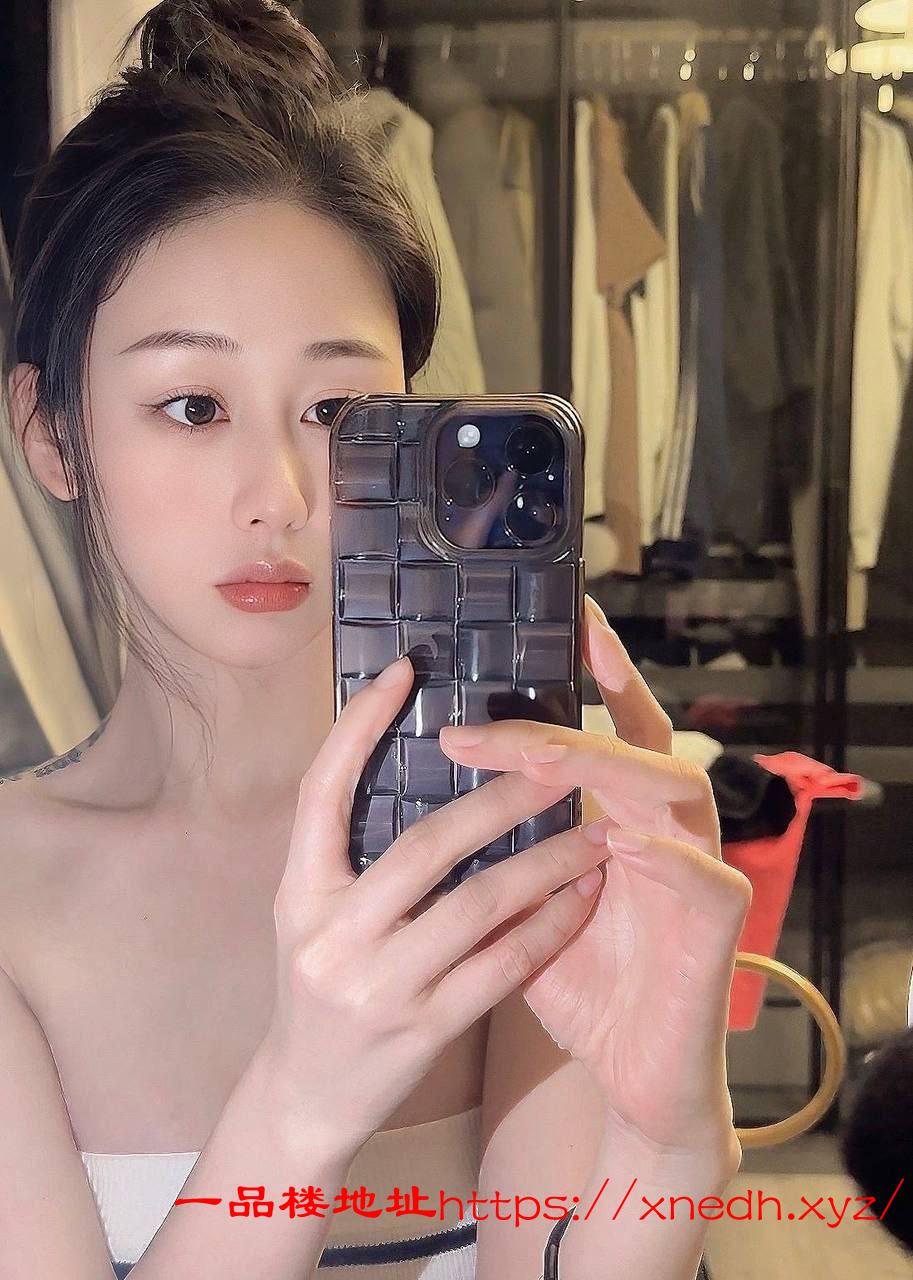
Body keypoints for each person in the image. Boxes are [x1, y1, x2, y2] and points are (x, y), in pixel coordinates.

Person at [0, 2, 752, 1276]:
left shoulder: (499, 835)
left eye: (339, 409)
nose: (280, 496)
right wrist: (301, 1098)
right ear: (53, 435)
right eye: (192, 405)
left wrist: (669, 1145)